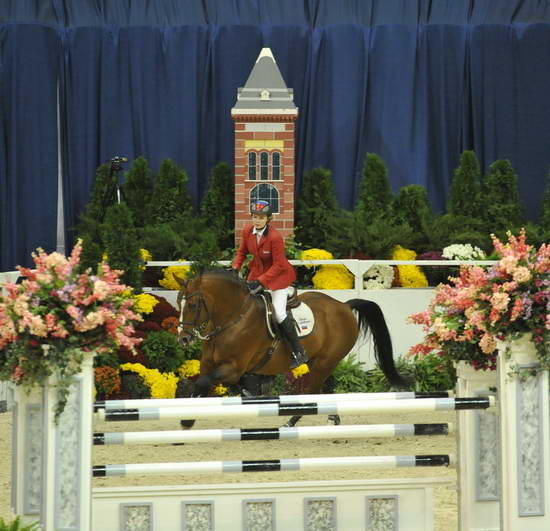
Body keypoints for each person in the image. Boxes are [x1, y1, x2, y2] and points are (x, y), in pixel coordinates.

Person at [232, 200, 308, 369]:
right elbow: (242, 252)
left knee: (279, 313)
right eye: (254, 216)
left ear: (268, 218)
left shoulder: (274, 237)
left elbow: (279, 265)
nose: (257, 220)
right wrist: (235, 267)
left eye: (261, 217)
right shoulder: (247, 231)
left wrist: (261, 281)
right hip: (257, 274)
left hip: (278, 277)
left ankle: (299, 352)